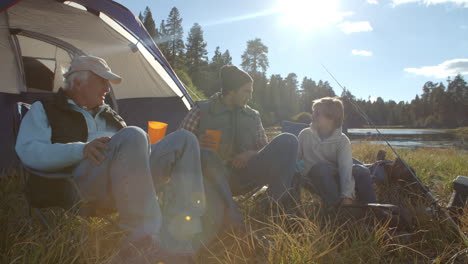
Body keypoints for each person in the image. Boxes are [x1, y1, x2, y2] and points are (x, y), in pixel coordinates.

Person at [15, 55, 205, 263]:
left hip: (126, 183)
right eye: (102, 81)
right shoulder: (45, 109)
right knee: (134, 133)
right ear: (78, 82)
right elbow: (28, 151)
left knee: (185, 140)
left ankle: (181, 239)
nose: (108, 88)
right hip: (81, 184)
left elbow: (132, 152)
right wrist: (80, 150)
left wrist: (148, 147)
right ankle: (140, 242)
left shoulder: (109, 114)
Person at [179, 65, 299, 230]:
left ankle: (272, 206)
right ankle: (231, 212)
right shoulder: (201, 111)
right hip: (213, 177)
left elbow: (264, 147)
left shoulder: (253, 116)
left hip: (247, 174)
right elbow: (178, 144)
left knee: (289, 140)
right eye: (246, 91)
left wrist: (250, 154)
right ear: (231, 91)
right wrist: (196, 143)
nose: (250, 96)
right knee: (207, 155)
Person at [298, 97, 376, 208]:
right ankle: (338, 208)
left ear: (332, 118)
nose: (313, 116)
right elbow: (295, 160)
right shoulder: (305, 135)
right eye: (313, 113)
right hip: (313, 177)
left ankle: (371, 208)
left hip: (333, 176)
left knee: (362, 170)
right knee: (321, 167)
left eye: (318, 114)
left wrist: (347, 195)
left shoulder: (342, 140)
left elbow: (345, 169)